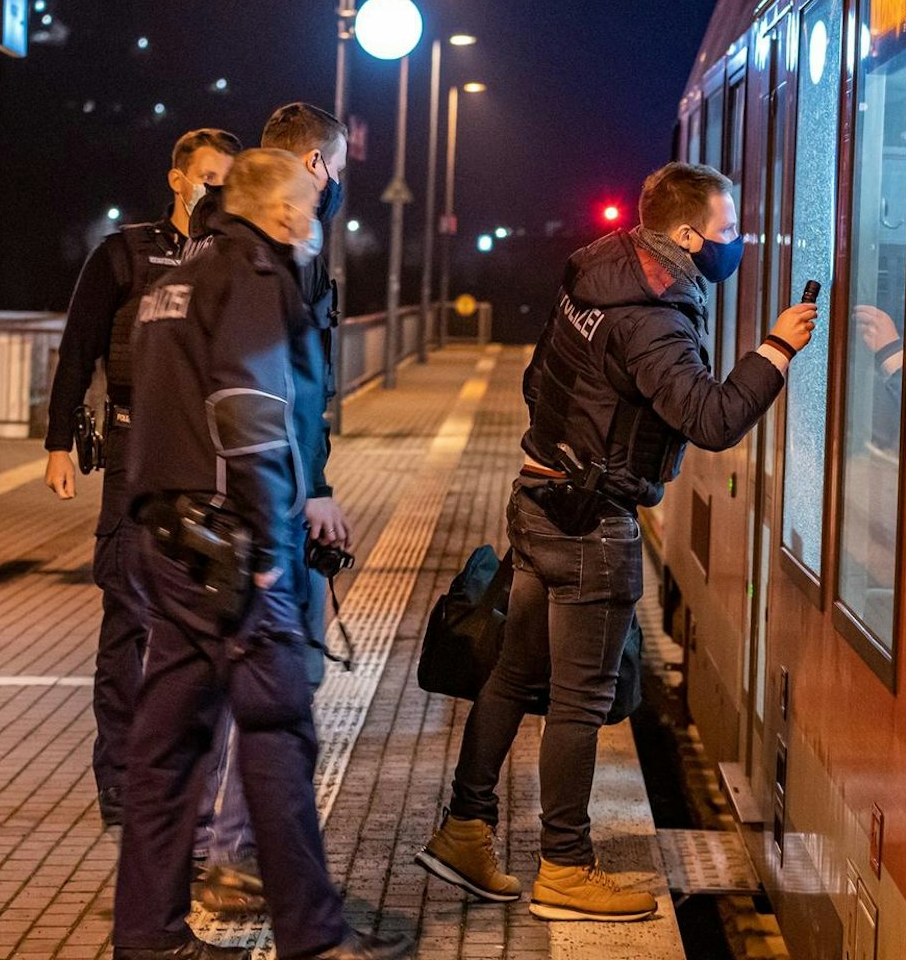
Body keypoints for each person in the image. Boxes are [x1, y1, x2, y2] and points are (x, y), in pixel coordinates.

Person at [417, 162, 818, 921]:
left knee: (512, 673)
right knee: (579, 703)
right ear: (688, 235)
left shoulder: (597, 270)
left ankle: (465, 829)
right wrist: (775, 349)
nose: (737, 242)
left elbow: (538, 380)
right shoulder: (653, 318)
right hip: (591, 525)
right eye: (729, 229)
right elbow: (712, 419)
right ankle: (565, 868)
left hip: (539, 496)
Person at [114, 148, 411, 960]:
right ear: (282, 213)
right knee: (278, 735)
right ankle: (315, 939)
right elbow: (249, 408)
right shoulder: (253, 274)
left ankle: (147, 938)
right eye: (311, 205)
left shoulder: (174, 279)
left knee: (166, 752)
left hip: (167, 540)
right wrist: (272, 547)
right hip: (234, 549)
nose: (316, 220)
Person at [43, 127, 242, 828]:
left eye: (228, 181)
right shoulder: (124, 254)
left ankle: (181, 780)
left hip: (209, 454)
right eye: (207, 178)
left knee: (199, 626)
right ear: (177, 179)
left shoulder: (238, 260)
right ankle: (122, 783)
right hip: (135, 446)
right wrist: (58, 443)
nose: (216, 191)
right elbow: (78, 350)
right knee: (127, 618)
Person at [189, 102, 350, 915]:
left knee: (205, 693)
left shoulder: (201, 250)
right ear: (311, 171)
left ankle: (206, 853)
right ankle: (237, 859)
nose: (331, 196)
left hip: (203, 508)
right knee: (275, 691)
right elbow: (269, 400)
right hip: (258, 511)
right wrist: (303, 495)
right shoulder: (267, 269)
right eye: (335, 173)